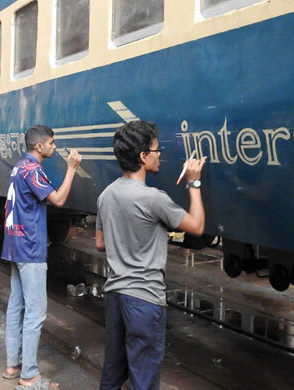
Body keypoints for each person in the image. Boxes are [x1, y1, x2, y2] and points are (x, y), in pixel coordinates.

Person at [95, 120, 207, 390]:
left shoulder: (106, 195)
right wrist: (194, 183)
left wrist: (129, 239)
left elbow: (100, 243)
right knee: (143, 379)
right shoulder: (154, 198)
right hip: (144, 300)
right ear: (143, 156)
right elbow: (198, 226)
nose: (160, 156)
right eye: (157, 151)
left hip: (115, 297)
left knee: (112, 372)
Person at [1, 125, 82, 390]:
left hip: (14, 242)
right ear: (39, 147)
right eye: (52, 143)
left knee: (17, 305)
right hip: (30, 247)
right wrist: (71, 170)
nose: (54, 147)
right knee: (35, 313)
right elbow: (58, 199)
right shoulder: (33, 170)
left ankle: (13, 365)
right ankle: (30, 377)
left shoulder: (17, 168)